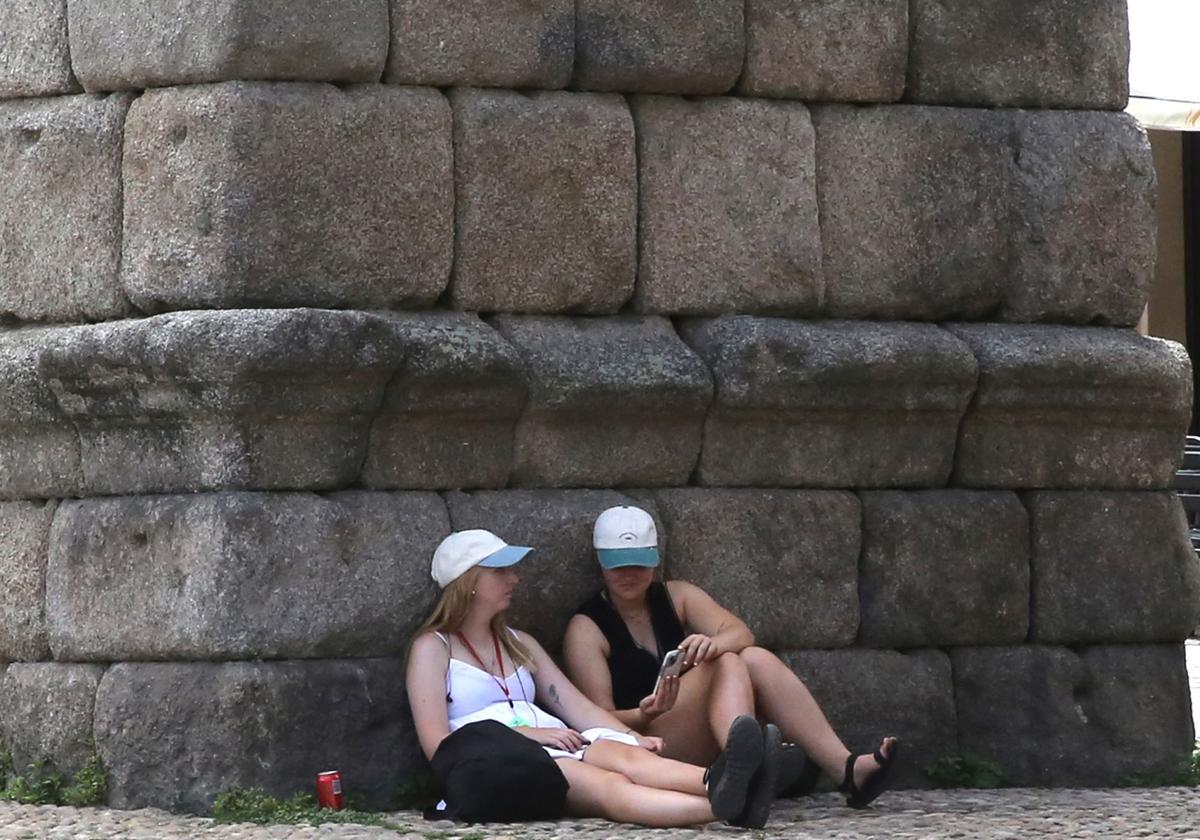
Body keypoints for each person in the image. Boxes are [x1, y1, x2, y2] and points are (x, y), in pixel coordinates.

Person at [405, 528, 784, 828]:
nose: (514, 579)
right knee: (611, 786)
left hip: (561, 738)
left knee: (630, 759)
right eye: (500, 571)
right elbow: (439, 744)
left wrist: (633, 737)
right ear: (468, 581)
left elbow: (575, 706)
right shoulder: (433, 648)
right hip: (506, 756)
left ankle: (728, 781)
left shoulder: (520, 642)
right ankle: (728, 807)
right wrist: (528, 736)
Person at [563, 506, 899, 809]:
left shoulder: (676, 595)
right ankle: (746, 767)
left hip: (701, 727)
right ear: (600, 563)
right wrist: (645, 711)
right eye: (618, 565)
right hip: (648, 744)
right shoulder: (586, 629)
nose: (629, 573)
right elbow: (597, 721)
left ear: (654, 559)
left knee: (750, 657)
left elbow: (740, 633)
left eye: (638, 563)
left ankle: (845, 768)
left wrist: (713, 645)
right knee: (727, 661)